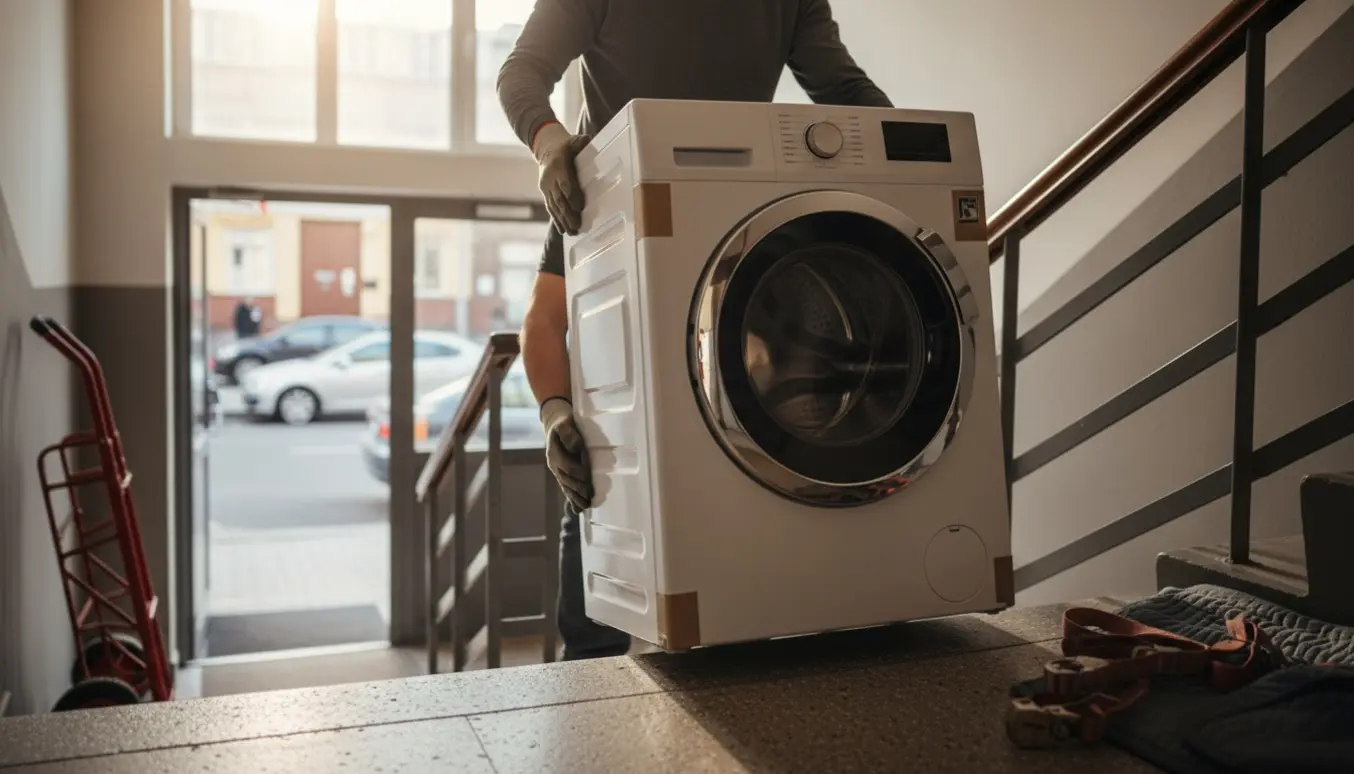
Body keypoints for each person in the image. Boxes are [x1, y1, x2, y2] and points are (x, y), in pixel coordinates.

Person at [498, 0, 892, 660]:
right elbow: (523, 71)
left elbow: (845, 90)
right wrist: (555, 413)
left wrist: (911, 168)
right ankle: (590, 679)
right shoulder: (587, 195)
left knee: (732, 625)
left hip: (741, 213)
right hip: (610, 187)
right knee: (593, 610)